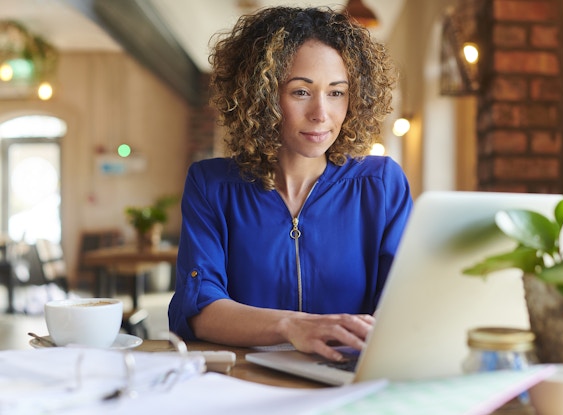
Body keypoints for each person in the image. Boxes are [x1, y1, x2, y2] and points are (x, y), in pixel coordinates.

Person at [168, 6, 413, 361]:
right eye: (300, 92)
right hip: (247, 384)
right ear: (262, 96)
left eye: (336, 92)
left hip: (346, 381)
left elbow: (406, 302)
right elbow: (199, 308)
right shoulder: (212, 185)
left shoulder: (381, 184)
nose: (321, 113)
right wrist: (292, 326)